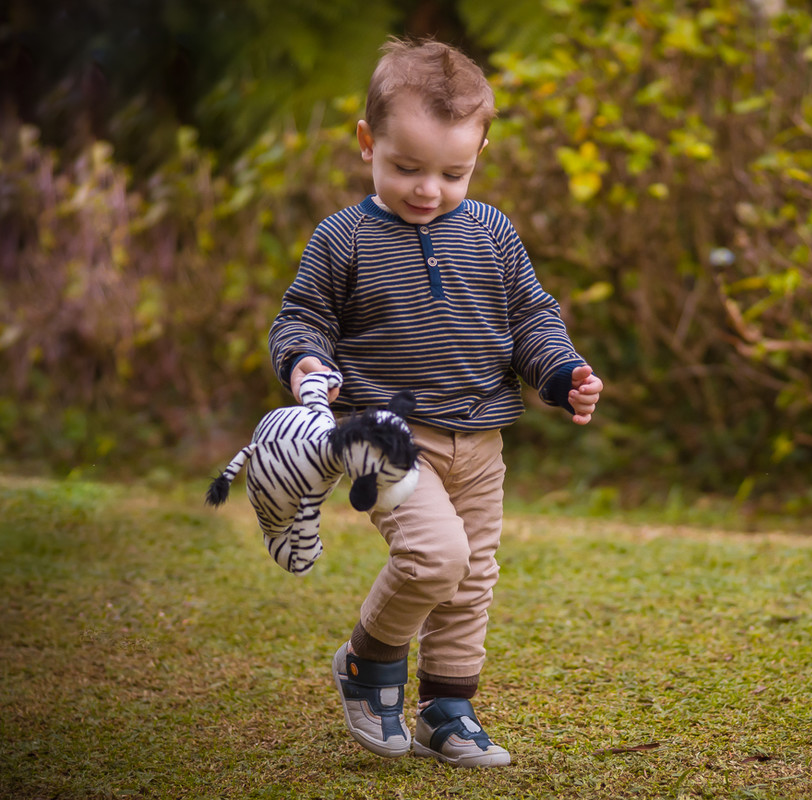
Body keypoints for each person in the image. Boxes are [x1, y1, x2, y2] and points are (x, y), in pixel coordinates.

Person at [267, 37, 603, 768]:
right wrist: (304, 362)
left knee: (471, 574)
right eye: (407, 167)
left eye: (454, 172)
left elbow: (530, 320)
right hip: (383, 435)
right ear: (367, 142)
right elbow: (300, 319)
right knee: (433, 556)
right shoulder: (344, 239)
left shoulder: (491, 233)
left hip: (480, 441)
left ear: (480, 150)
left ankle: (447, 710)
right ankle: (369, 664)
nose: (429, 189)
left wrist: (560, 371)